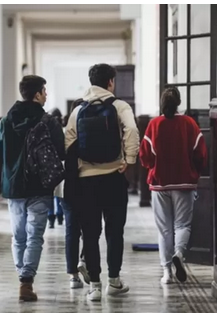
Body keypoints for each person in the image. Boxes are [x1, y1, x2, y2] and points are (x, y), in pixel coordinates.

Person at [0, 75, 65, 302]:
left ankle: (22, 277)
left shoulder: (5, 122)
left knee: (18, 236)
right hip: (40, 186)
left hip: (14, 187)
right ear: (37, 94)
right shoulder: (49, 122)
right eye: (44, 91)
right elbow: (62, 152)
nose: (46, 95)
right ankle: (27, 280)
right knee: (35, 235)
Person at [65, 63, 139, 301]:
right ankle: (114, 281)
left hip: (87, 181)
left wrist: (78, 167)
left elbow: (68, 142)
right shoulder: (119, 106)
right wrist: (129, 159)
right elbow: (132, 131)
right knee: (115, 231)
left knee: (90, 233)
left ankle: (94, 286)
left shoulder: (78, 110)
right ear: (111, 82)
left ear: (91, 81)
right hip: (114, 177)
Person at [139, 87, 207, 284]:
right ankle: (179, 253)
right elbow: (201, 155)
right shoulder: (190, 124)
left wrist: (153, 167)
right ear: (179, 103)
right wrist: (194, 172)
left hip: (159, 183)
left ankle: (167, 272)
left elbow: (144, 156)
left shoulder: (154, 124)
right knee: (182, 225)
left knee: (164, 230)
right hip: (184, 182)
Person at [62, 98, 89, 289]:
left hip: (68, 186)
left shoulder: (63, 133)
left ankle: (72, 275)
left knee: (71, 230)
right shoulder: (90, 132)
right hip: (89, 183)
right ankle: (84, 261)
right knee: (91, 227)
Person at [48, 108, 64, 228]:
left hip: (48, 166)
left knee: (50, 194)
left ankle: (51, 218)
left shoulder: (47, 131)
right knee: (59, 193)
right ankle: (59, 215)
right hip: (61, 165)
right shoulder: (63, 130)